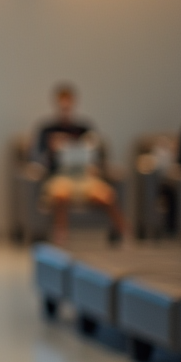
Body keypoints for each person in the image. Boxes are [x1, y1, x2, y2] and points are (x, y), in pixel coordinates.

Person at [32, 83, 124, 245]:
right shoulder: (47, 130)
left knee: (106, 196)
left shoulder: (84, 128)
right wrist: (51, 150)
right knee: (61, 195)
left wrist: (94, 166)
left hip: (85, 177)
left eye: (68, 105)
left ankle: (124, 234)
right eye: (62, 106)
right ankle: (61, 239)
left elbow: (97, 154)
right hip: (60, 176)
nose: (65, 109)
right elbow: (36, 158)